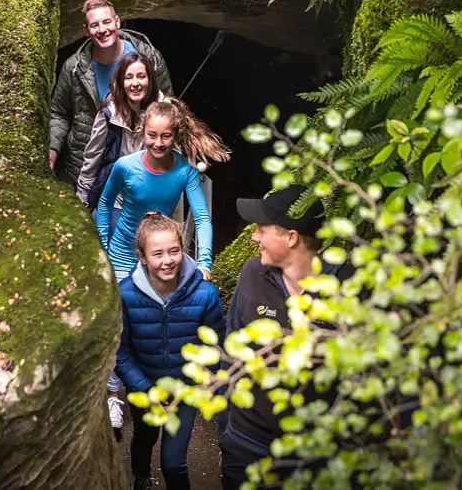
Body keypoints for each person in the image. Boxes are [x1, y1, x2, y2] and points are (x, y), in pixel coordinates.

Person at [98, 96, 228, 435]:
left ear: (175, 135)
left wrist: (204, 261)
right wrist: (100, 247)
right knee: (119, 324)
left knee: (153, 322)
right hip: (123, 255)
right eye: (152, 135)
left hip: (161, 254)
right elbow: (104, 205)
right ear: (142, 132)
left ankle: (157, 388)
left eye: (165, 136)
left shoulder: (184, 171)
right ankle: (114, 394)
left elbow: (201, 216)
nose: (158, 143)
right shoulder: (125, 166)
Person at [220, 185, 342, 490]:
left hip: (313, 459)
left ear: (291, 237)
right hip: (247, 447)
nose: (253, 237)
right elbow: (230, 348)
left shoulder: (347, 289)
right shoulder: (251, 273)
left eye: (262, 229)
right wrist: (228, 428)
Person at [116, 212, 226, 490]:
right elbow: (120, 350)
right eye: (158, 253)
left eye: (174, 251)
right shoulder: (125, 295)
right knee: (144, 437)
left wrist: (201, 383)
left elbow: (215, 346)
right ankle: (141, 476)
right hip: (144, 388)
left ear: (183, 250)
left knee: (173, 463)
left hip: (184, 391)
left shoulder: (205, 295)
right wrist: (145, 388)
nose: (167, 260)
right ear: (142, 257)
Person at [49, 0, 172, 188]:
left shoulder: (149, 59)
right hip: (86, 166)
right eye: (94, 25)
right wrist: (52, 149)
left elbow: (168, 107)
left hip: (139, 164)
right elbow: (59, 113)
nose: (102, 30)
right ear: (86, 30)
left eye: (107, 22)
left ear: (117, 22)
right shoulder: (74, 68)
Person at [76, 50, 163, 214]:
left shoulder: (163, 113)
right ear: (121, 82)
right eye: (128, 77)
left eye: (141, 76)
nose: (135, 83)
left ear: (150, 80)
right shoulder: (109, 114)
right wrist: (82, 198)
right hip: (114, 200)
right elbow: (92, 158)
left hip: (151, 202)